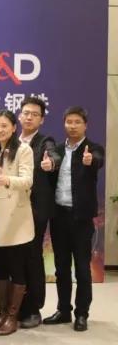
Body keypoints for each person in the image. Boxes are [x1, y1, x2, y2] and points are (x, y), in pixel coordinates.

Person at [44, 106, 105, 332]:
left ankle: (81, 314)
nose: (72, 126)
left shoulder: (93, 149)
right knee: (61, 268)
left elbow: (98, 160)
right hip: (59, 215)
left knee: (81, 268)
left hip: (81, 218)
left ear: (85, 125)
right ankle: (63, 310)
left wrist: (91, 161)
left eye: (77, 122)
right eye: (69, 122)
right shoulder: (58, 150)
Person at [0, 109, 34, 336]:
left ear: (14, 128)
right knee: (1, 266)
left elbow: (27, 180)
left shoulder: (23, 149)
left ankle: (13, 316)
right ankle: (2, 312)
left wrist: (8, 180)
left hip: (15, 216)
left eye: (4, 126)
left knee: (16, 266)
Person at [17, 96, 61, 328]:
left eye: (34, 114)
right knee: (15, 259)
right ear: (19, 116)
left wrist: (50, 163)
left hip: (35, 210)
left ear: (41, 120)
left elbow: (53, 155)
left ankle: (33, 309)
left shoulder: (45, 141)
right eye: (26, 113)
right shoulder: (12, 141)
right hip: (12, 209)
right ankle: (15, 307)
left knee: (32, 257)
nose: (29, 117)